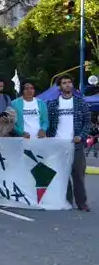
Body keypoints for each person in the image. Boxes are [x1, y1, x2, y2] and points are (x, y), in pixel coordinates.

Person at [46, 74, 91, 212]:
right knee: (62, 174)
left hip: (76, 144)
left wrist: (81, 136)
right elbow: (48, 124)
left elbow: (87, 122)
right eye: (64, 83)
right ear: (59, 87)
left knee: (78, 175)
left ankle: (82, 203)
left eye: (69, 82)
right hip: (58, 144)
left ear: (72, 85)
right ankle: (67, 201)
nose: (67, 85)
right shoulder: (52, 104)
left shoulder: (80, 102)